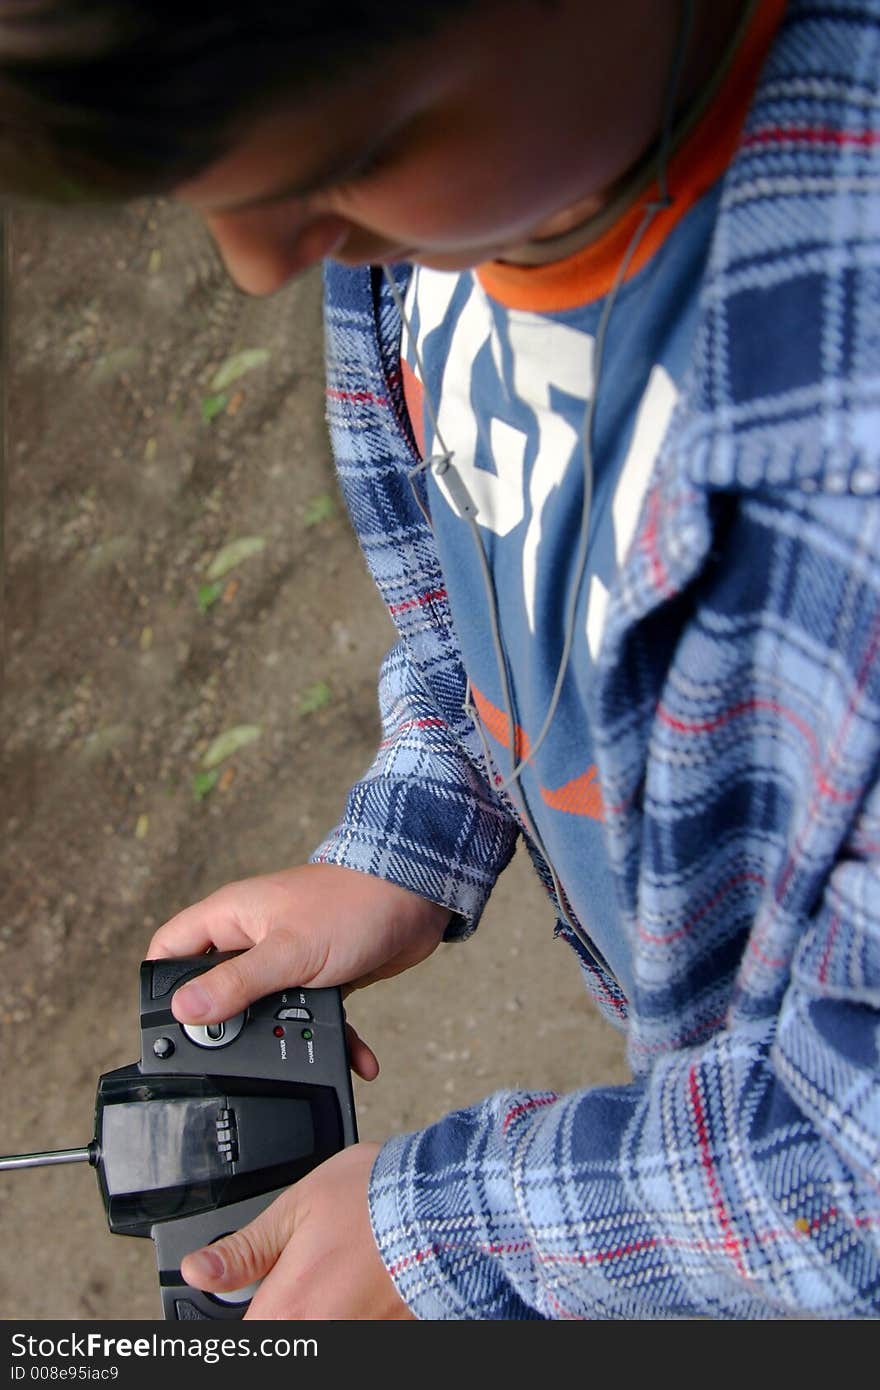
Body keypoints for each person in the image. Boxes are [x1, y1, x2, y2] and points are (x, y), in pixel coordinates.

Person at [4, 0, 879, 1318]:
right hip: (711, 1030)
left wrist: (451, 1230)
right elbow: (470, 569)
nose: (258, 264)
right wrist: (418, 823)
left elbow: (848, 1169)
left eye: (350, 151)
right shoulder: (428, 231)